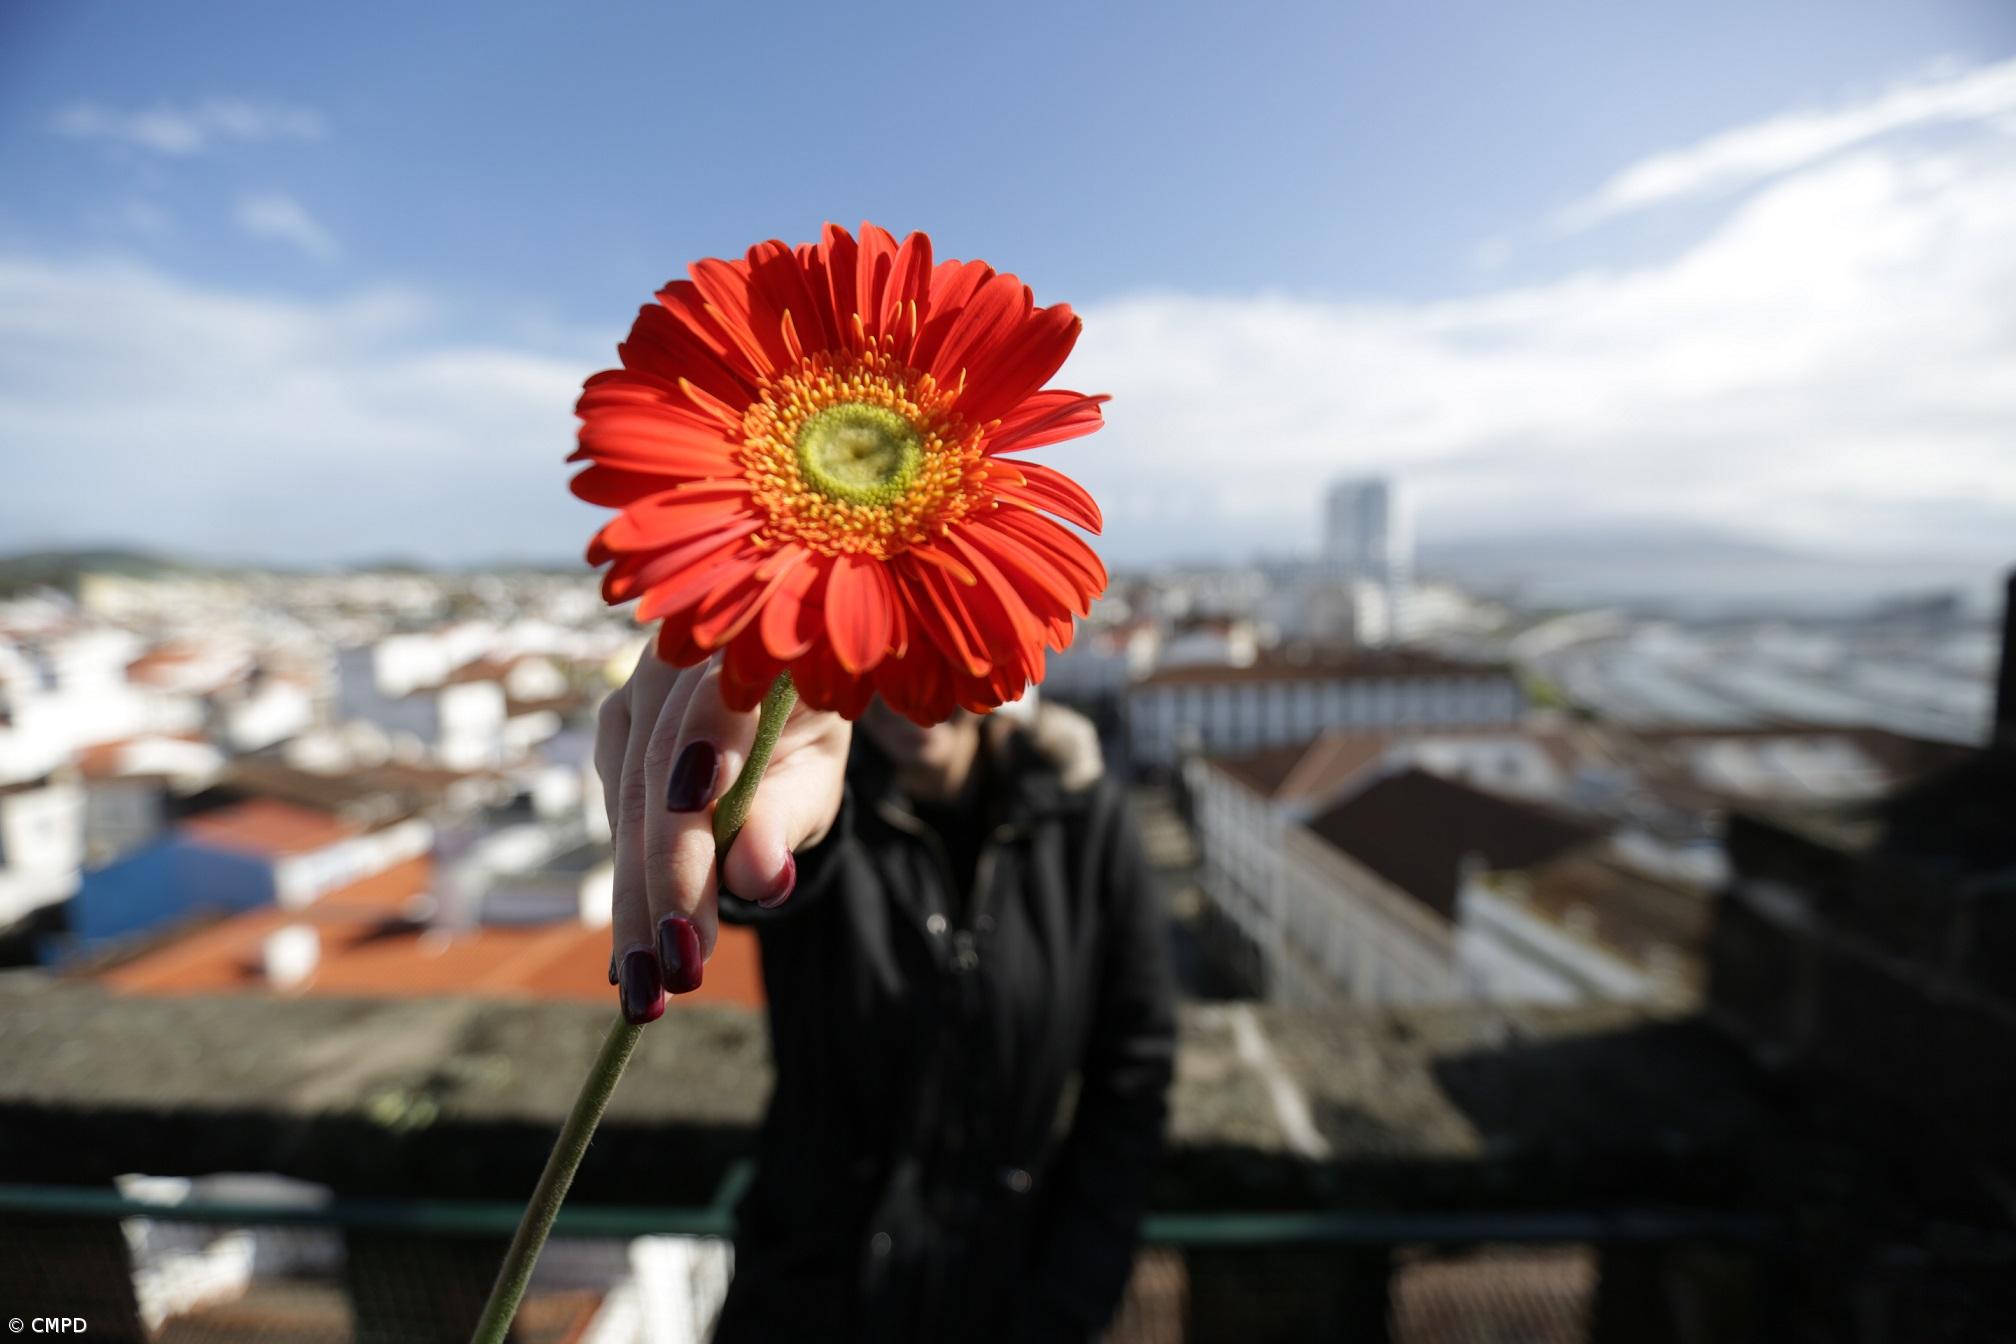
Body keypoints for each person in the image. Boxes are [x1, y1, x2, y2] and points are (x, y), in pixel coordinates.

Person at [596, 648, 1178, 1344]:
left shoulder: (1086, 823)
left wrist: (1073, 1292)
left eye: (929, 656)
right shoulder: (831, 802)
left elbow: (1135, 1068)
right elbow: (775, 865)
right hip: (808, 1301)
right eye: (872, 665)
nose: (903, 695)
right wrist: (746, 796)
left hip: (1013, 1303)